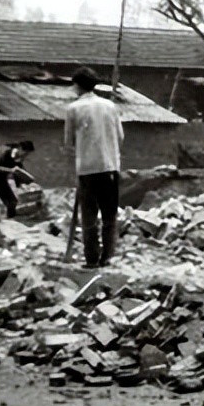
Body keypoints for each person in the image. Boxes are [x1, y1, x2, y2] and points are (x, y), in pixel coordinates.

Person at [64, 67, 124, 269]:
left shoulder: (73, 109)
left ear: (77, 85)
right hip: (110, 167)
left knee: (88, 217)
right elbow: (120, 137)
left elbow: (68, 141)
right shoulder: (110, 106)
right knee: (109, 216)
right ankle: (107, 257)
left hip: (87, 169)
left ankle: (91, 259)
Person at [0, 140, 35, 225]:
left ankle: (11, 223)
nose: (25, 156)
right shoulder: (3, 152)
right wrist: (10, 170)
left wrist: (23, 183)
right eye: (25, 153)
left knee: (12, 202)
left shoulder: (17, 158)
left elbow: (18, 172)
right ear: (20, 149)